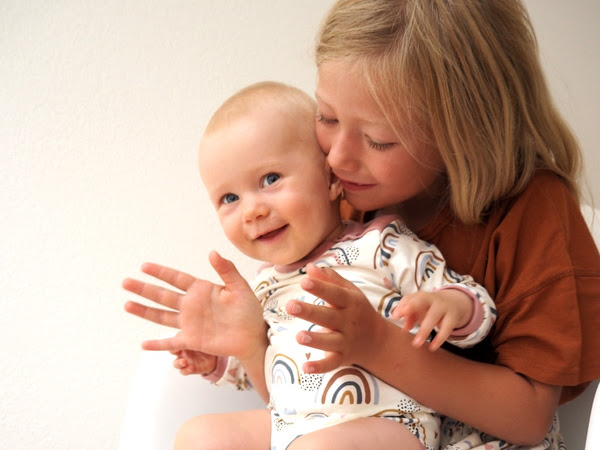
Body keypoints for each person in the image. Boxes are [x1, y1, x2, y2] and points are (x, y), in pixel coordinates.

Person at [281, 0, 598, 448]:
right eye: (327, 117)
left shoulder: (535, 210)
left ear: (466, 131)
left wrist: (380, 347)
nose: (336, 157)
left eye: (378, 140)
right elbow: (308, 397)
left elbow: (529, 417)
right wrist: (243, 343)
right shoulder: (344, 202)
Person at [123, 81, 496, 449]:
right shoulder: (265, 287)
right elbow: (268, 375)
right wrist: (219, 361)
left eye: (270, 179)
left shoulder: (380, 244)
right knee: (198, 436)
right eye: (230, 197)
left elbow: (471, 300)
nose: (253, 210)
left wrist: (453, 306)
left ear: (331, 178)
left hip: (389, 427)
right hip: (295, 428)